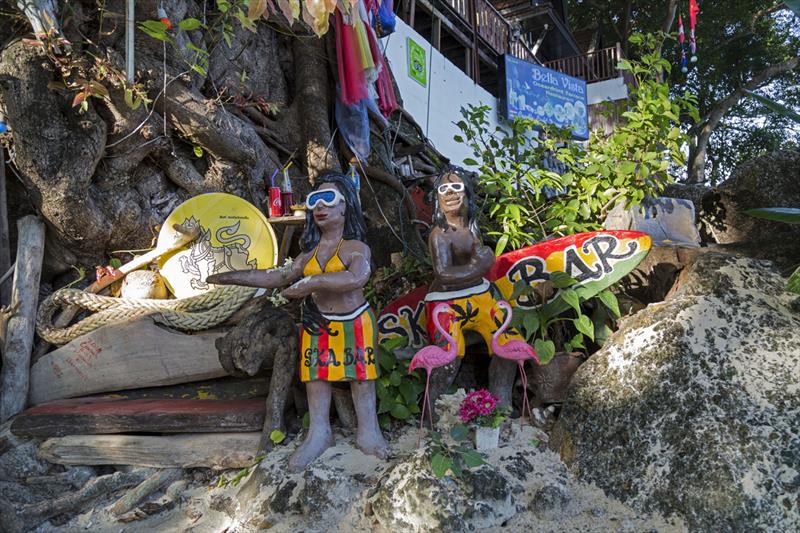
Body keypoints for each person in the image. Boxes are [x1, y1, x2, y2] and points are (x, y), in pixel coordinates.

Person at [207, 172, 388, 471]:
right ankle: (319, 433)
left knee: (361, 376)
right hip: (318, 323)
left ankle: (368, 430)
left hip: (354, 322)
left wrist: (311, 283)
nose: (320, 207)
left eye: (328, 199)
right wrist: (230, 276)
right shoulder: (308, 255)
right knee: (316, 377)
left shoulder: (356, 247)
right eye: (314, 200)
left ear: (345, 207)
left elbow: (357, 277)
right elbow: (275, 276)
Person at [424, 166, 524, 407]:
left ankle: (500, 403)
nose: (450, 194)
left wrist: (480, 267)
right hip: (445, 301)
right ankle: (433, 408)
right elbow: (443, 273)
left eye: (456, 187)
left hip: (479, 296)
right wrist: (479, 266)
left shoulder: (472, 228)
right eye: (443, 189)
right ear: (437, 198)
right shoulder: (440, 234)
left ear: (467, 193)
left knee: (508, 344)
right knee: (449, 352)